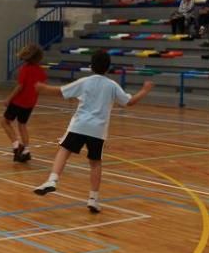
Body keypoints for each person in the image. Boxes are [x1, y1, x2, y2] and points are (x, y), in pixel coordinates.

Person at [32, 50, 154, 214]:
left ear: (91, 66)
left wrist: (43, 88)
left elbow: (61, 91)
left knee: (64, 150)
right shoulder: (112, 85)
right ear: (108, 68)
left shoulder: (85, 81)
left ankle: (52, 180)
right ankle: (93, 199)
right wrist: (145, 90)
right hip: (98, 130)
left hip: (79, 125)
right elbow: (129, 102)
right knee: (95, 163)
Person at [2, 44, 46, 162]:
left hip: (18, 101)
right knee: (22, 125)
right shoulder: (41, 71)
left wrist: (9, 98)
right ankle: (26, 151)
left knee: (5, 122)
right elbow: (40, 87)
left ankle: (16, 146)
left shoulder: (25, 69)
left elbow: (20, 86)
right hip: (30, 103)